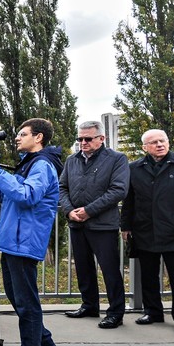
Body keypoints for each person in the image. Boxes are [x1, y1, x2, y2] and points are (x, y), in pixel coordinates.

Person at [0, 118, 63, 346]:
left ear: (38, 138)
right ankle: (44, 343)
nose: (17, 138)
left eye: (23, 134)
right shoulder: (29, 164)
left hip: (24, 242)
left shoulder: (42, 166)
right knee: (18, 297)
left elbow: (27, 196)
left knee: (26, 301)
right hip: (14, 241)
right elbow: (8, 196)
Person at [60, 121, 129, 328]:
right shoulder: (72, 160)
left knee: (109, 270)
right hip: (77, 224)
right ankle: (89, 305)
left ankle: (116, 312)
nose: (83, 142)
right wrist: (69, 210)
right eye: (79, 139)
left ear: (101, 138)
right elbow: (62, 187)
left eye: (87, 138)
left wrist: (89, 211)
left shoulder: (117, 159)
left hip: (103, 225)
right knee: (83, 267)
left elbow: (118, 190)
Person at [121, 129, 174, 336]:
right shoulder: (135, 168)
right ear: (144, 147)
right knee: (148, 275)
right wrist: (126, 226)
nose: (159, 144)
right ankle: (153, 311)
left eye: (162, 140)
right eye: (154, 142)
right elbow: (128, 201)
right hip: (145, 230)